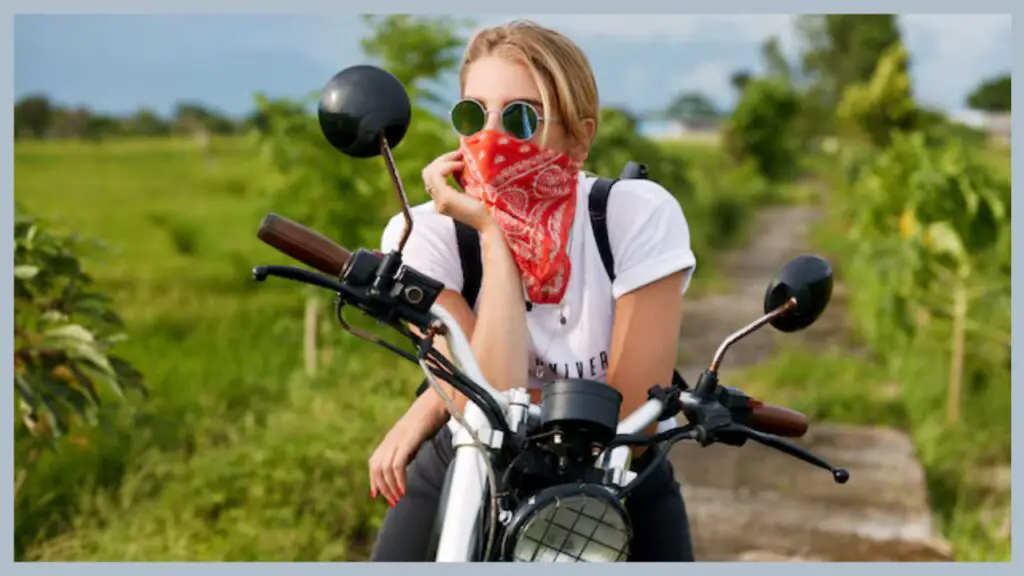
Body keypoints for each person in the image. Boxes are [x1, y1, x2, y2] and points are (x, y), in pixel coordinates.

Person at [368, 19, 697, 562]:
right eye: (473, 114)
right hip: (475, 462)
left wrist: (436, 399)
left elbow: (630, 416)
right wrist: (494, 238)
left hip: (616, 475)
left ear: (581, 135)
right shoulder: (425, 233)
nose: (491, 138)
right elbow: (487, 403)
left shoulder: (634, 216)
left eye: (521, 118)